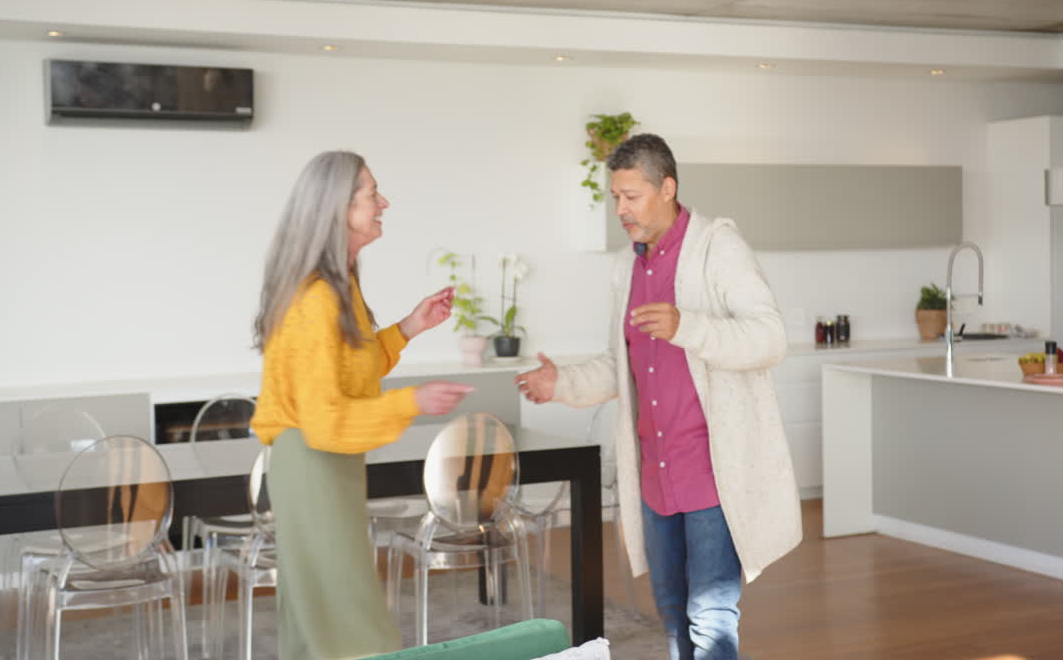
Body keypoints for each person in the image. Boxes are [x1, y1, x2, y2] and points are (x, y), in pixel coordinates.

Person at [515, 134, 802, 660]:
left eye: (632, 196)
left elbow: (770, 339)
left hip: (712, 472)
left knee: (711, 617)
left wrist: (686, 325)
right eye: (616, 197)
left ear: (667, 187)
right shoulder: (627, 267)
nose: (621, 209)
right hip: (654, 475)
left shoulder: (719, 247)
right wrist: (563, 384)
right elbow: (619, 365)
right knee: (670, 609)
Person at [250, 150, 474, 659]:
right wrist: (410, 402)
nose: (384, 203)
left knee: (318, 617)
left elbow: (350, 374)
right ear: (338, 209)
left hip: (325, 459)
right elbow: (325, 420)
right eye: (372, 194)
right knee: (347, 616)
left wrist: (409, 328)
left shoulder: (339, 285)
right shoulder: (316, 299)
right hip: (311, 458)